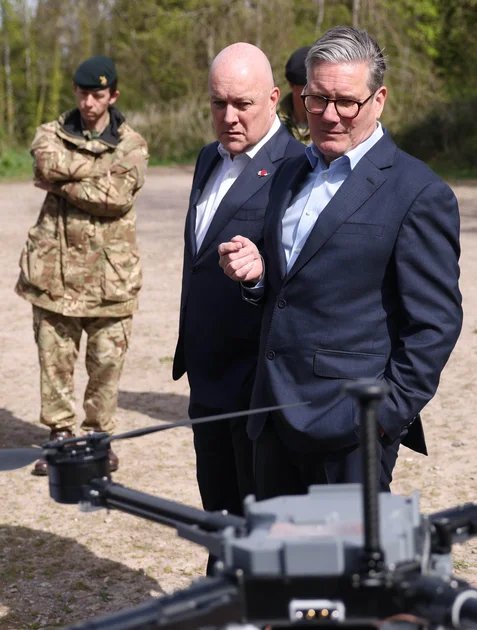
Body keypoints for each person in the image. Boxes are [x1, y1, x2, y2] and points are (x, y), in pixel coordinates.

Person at [218, 26, 463, 500]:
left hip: (350, 433)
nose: (329, 116)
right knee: (277, 547)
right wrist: (257, 276)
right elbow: (292, 284)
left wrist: (382, 417)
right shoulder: (288, 173)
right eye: (317, 100)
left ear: (379, 100)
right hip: (271, 416)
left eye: (346, 102)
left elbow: (435, 324)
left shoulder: (418, 192)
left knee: (346, 551)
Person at [173, 43, 303, 519]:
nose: (229, 117)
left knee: (260, 520)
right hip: (206, 374)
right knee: (218, 513)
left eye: (242, 104)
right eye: (218, 103)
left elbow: (301, 281)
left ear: (273, 98)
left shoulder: (299, 168)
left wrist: (258, 274)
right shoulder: (208, 158)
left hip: (255, 384)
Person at [14, 55, 149, 476]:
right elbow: (45, 164)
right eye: (83, 93)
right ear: (75, 92)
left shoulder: (132, 143)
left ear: (113, 96)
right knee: (54, 359)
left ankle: (97, 438)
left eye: (98, 95)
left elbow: (116, 197)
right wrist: (99, 170)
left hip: (111, 276)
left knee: (106, 363)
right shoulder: (49, 134)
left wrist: (62, 185)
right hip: (55, 272)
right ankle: (60, 437)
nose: (89, 103)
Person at [277, 45, 312, 144]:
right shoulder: (274, 124)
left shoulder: (329, 122)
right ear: (292, 85)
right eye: (307, 88)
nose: (315, 93)